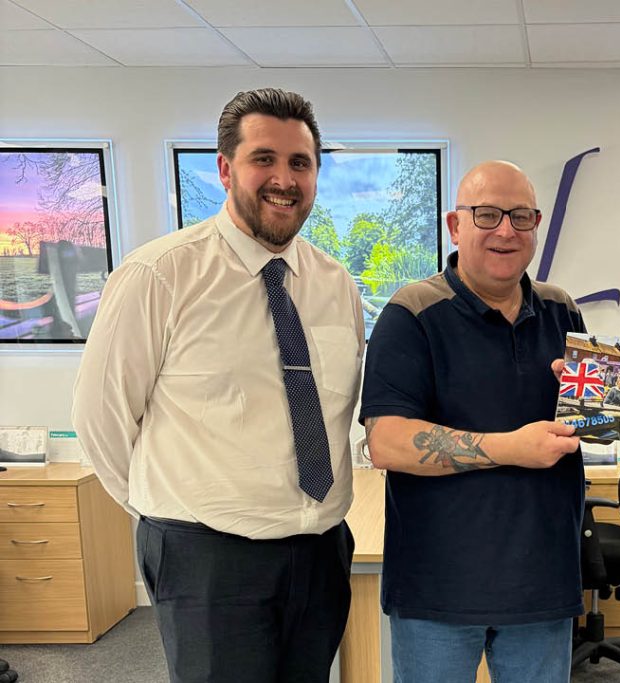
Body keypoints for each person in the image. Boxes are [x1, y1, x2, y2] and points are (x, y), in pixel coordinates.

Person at [71, 88, 364, 683]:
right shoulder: (160, 274)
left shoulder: (335, 284)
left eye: (299, 163)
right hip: (207, 557)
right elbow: (100, 419)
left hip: (319, 552)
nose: (283, 178)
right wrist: (171, 513)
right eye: (265, 159)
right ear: (226, 168)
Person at [360, 160, 585, 682]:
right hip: (437, 588)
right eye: (486, 215)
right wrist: (510, 447)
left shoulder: (562, 311)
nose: (505, 230)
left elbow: (597, 418)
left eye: (520, 216)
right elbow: (387, 443)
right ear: (455, 226)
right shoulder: (412, 313)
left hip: (541, 583)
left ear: (536, 224)